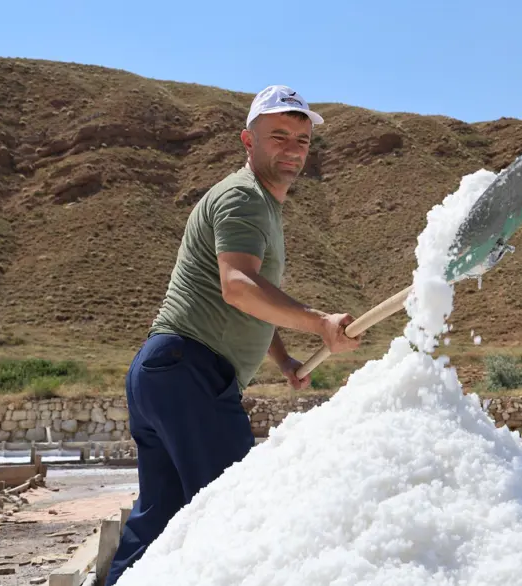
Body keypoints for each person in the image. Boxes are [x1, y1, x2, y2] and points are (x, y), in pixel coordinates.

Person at [104, 85, 362, 585]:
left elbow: (250, 299)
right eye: (278, 136)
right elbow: (238, 287)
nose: (292, 149)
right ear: (248, 140)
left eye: (302, 140)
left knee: (161, 522)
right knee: (236, 513)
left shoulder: (260, 204)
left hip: (165, 372)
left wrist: (282, 359)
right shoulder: (244, 197)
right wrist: (319, 323)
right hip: (190, 374)